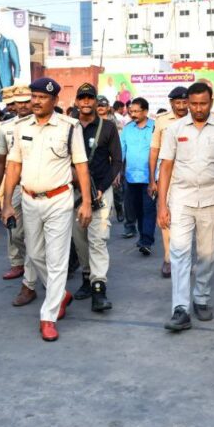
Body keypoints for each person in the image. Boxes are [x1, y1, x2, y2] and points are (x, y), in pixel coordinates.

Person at [2, 77, 93, 342]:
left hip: (59, 200)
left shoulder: (69, 127)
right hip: (29, 200)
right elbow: (14, 165)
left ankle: (48, 316)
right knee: (34, 253)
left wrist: (86, 202)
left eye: (42, 97)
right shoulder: (20, 127)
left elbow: (81, 166)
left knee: (57, 259)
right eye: (34, 96)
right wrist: (7, 202)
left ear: (54, 101)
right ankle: (60, 295)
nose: (37, 101)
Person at [157, 81, 214, 330]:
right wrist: (162, 205)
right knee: (179, 253)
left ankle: (201, 297)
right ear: (187, 103)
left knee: (207, 254)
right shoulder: (175, 129)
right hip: (181, 199)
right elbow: (166, 166)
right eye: (194, 104)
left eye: (203, 104)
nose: (198, 109)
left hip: (212, 200)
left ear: (211, 102)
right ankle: (180, 308)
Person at [0, 86, 38, 306]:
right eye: (18, 101)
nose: (22, 105)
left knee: (38, 235)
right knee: (14, 228)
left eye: (26, 101)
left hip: (42, 185)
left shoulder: (47, 123)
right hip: (14, 184)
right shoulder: (5, 127)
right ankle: (21, 264)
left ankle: (31, 280)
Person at [70, 83, 122, 313]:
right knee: (80, 238)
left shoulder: (108, 127)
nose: (86, 102)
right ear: (76, 102)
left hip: (100, 190)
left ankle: (99, 287)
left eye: (90, 98)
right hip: (74, 192)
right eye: (82, 98)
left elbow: (117, 161)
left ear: (95, 101)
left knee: (98, 238)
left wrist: (102, 188)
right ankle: (86, 277)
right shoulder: (69, 126)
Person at [149, 87, 189, 278]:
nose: (181, 106)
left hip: (191, 176)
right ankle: (168, 258)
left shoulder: (197, 119)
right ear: (171, 103)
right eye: (177, 102)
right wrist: (152, 179)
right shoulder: (162, 121)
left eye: (184, 102)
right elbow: (154, 150)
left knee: (189, 218)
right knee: (165, 215)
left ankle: (185, 257)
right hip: (167, 175)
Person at [121, 97, 156, 256]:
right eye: (131, 111)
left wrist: (156, 178)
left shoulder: (155, 128)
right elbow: (122, 150)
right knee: (138, 210)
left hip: (150, 177)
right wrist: (118, 172)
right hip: (131, 177)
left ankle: (147, 241)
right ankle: (143, 237)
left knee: (149, 209)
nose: (133, 114)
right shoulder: (127, 129)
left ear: (145, 111)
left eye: (136, 111)